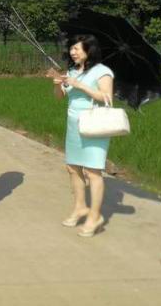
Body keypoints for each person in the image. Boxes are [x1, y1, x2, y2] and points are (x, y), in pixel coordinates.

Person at [45, 34, 114, 237]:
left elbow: (107, 98)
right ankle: (80, 207)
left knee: (93, 171)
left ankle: (95, 216)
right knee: (72, 167)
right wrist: (57, 83)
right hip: (74, 125)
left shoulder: (102, 71)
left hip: (94, 126)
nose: (72, 52)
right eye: (71, 48)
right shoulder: (73, 71)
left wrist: (81, 85)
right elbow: (60, 97)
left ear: (88, 50)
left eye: (76, 48)